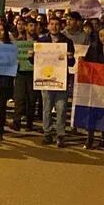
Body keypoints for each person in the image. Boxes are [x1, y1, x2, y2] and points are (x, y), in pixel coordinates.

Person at [33, 16, 75, 148]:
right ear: (48, 26)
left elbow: (72, 63)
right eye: (52, 24)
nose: (54, 27)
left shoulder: (67, 41)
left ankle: (60, 135)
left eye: (57, 24)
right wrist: (31, 56)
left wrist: (71, 57)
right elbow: (36, 62)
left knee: (61, 108)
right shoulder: (42, 41)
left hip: (61, 80)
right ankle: (47, 133)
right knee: (46, 108)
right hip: (46, 80)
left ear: (60, 26)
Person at [11, 18, 39, 132]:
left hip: (33, 73)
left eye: (34, 26)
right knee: (19, 98)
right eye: (30, 25)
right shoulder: (19, 41)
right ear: (26, 27)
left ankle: (29, 123)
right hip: (20, 72)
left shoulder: (40, 41)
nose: (32, 28)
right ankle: (16, 122)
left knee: (31, 99)